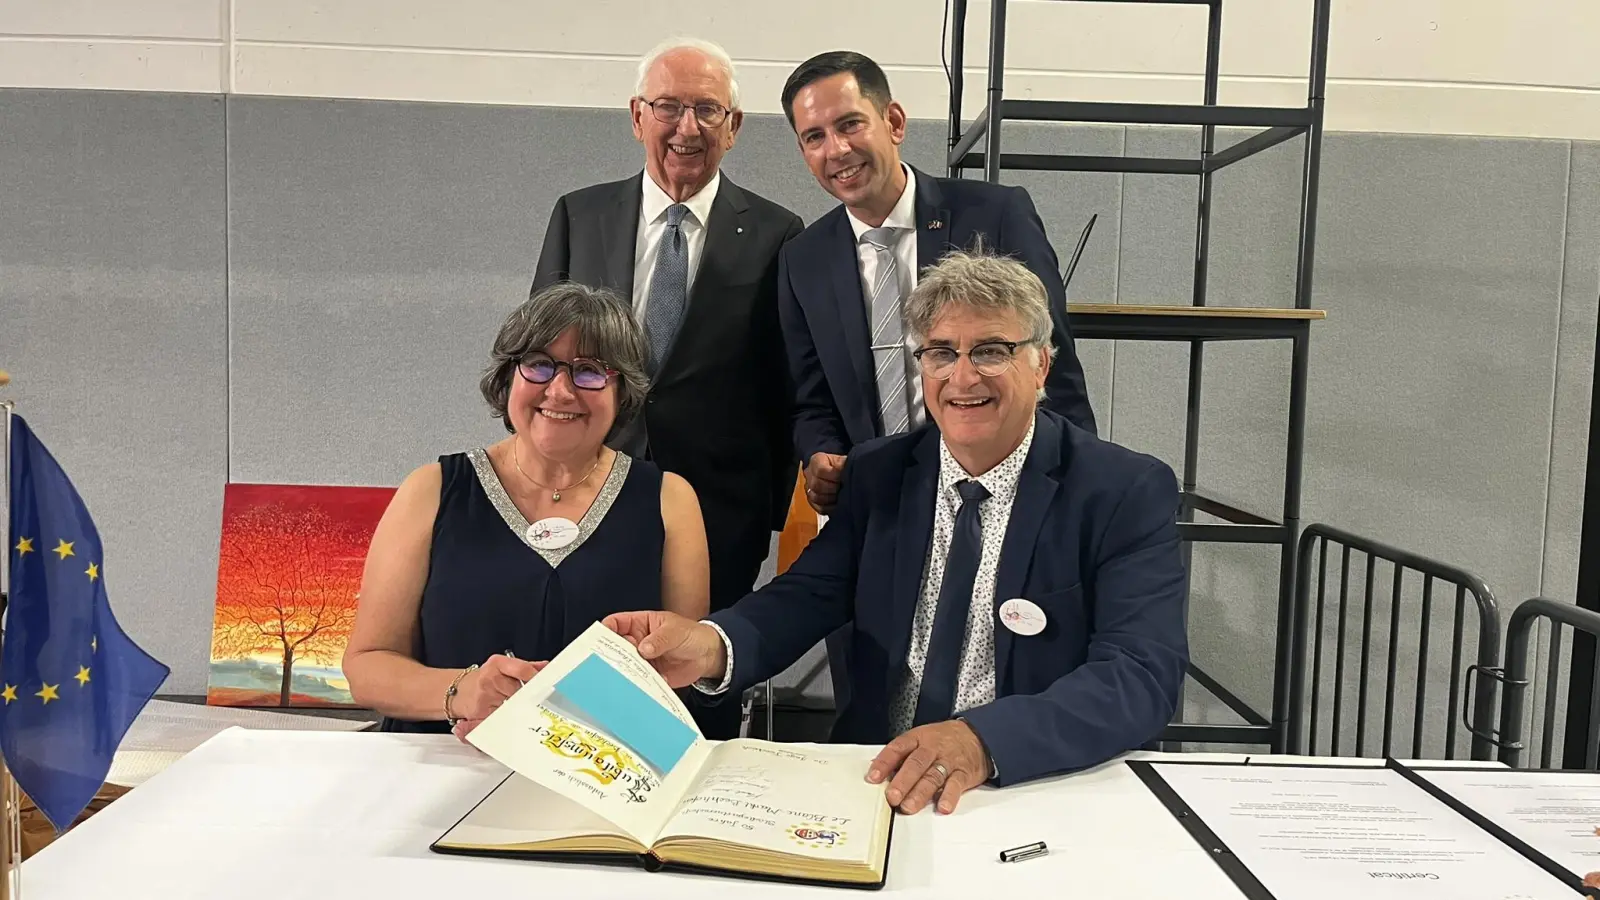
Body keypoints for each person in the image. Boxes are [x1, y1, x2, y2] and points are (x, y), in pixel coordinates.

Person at [605, 249, 1187, 816]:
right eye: (940, 353)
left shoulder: (1122, 491)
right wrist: (710, 645)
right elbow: (806, 595)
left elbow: (1138, 676)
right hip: (877, 780)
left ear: (1042, 366)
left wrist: (982, 741)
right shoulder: (881, 474)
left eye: (991, 350)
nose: (963, 376)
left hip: (1025, 788)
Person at [532, 37, 804, 739]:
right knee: (589, 675)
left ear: (734, 126)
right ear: (636, 116)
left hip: (721, 508)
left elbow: (785, 382)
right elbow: (539, 359)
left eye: (708, 110)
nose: (688, 127)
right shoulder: (579, 215)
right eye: (669, 107)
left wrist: (771, 509)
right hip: (591, 490)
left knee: (697, 689)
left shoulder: (778, 234)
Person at [342, 283, 710, 736]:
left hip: (596, 775)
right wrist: (464, 690)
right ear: (508, 376)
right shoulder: (432, 490)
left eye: (590, 371)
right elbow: (367, 667)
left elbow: (679, 676)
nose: (559, 390)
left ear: (623, 391)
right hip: (442, 767)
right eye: (539, 364)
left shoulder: (669, 500)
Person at [775, 50, 1097, 518]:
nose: (837, 150)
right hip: (879, 503)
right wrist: (819, 453)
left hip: (1005, 493)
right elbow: (810, 399)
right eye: (814, 137)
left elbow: (1053, 363)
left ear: (895, 122)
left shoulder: (996, 217)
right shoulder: (802, 259)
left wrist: (1075, 489)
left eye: (849, 124)